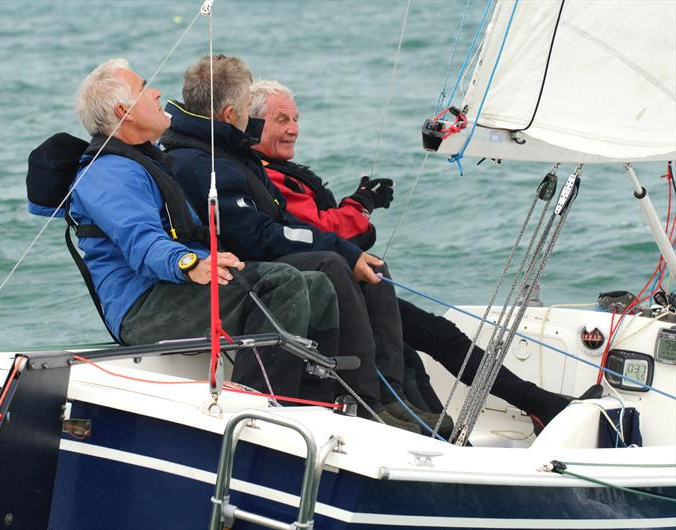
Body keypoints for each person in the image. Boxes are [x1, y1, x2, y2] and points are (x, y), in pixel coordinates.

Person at [248, 79, 594, 428]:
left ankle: (529, 406)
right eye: (281, 120)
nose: (293, 129)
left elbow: (328, 230)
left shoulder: (277, 172)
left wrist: (359, 208)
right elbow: (320, 231)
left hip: (347, 283)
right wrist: (360, 206)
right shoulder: (266, 177)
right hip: (326, 294)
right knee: (423, 345)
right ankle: (508, 414)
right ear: (253, 123)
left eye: (295, 118)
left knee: (434, 339)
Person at [161, 55, 448, 434]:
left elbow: (283, 222)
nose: (258, 119)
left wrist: (347, 247)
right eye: (251, 108)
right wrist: (339, 248)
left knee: (368, 266)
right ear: (231, 114)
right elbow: (258, 236)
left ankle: (390, 396)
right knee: (332, 264)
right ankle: (365, 401)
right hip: (241, 269)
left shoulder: (229, 153)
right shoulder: (202, 163)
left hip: (262, 253)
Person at [68, 58, 342, 402]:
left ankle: (317, 399)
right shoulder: (108, 174)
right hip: (143, 307)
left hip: (172, 288)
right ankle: (256, 407)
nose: (156, 93)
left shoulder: (144, 159)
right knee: (282, 283)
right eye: (143, 88)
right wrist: (190, 264)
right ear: (125, 111)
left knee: (317, 286)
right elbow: (143, 242)